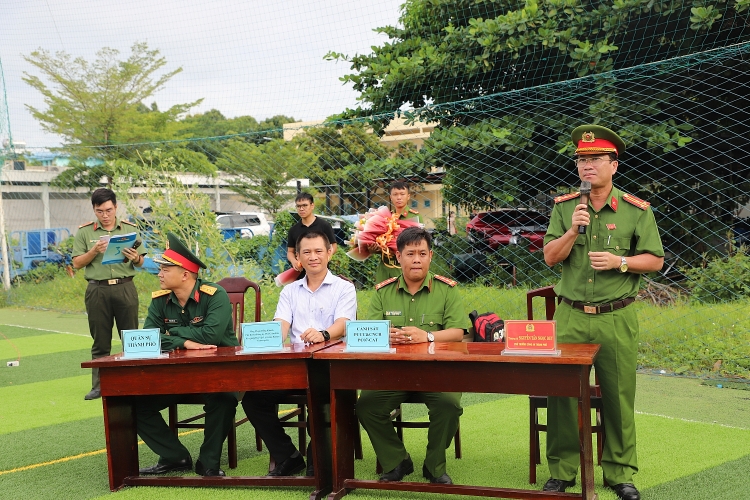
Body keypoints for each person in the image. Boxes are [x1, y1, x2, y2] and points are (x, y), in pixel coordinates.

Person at [541, 125, 664, 500]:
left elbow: (655, 260)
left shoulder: (635, 210)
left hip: (616, 315)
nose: (586, 166)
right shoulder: (565, 208)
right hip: (571, 315)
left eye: (595, 159)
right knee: (560, 395)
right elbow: (550, 257)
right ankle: (562, 471)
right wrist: (572, 233)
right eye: (581, 160)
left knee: (617, 395)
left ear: (614, 164)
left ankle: (620, 474)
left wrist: (620, 262)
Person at [357, 227, 467, 485]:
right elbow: (370, 331)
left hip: (436, 372)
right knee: (367, 406)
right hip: (392, 374)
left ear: (430, 256)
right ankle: (397, 460)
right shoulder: (383, 292)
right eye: (410, 254)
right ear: (398, 257)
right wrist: (385, 336)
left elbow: (458, 332)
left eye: (422, 253)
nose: (416, 259)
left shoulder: (447, 290)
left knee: (448, 404)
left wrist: (427, 336)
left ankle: (434, 465)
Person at [243, 231, 356, 477]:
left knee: (322, 395)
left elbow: (344, 323)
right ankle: (288, 456)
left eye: (318, 251)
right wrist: (263, 337)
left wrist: (324, 334)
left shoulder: (344, 288)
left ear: (329, 252)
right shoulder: (290, 291)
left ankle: (318, 454)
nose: (313, 257)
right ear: (298, 258)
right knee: (253, 399)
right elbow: (281, 325)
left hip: (330, 365)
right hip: (293, 367)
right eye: (306, 252)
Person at [136, 233, 239, 477]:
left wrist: (170, 332)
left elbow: (210, 337)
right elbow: (148, 338)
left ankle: (208, 462)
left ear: (185, 274)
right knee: (134, 405)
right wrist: (185, 340)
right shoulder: (160, 301)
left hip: (219, 374)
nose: (159, 273)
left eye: (165, 268)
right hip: (175, 376)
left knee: (224, 399)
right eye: (160, 268)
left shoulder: (215, 295)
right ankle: (175, 456)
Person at [72, 188, 146, 400]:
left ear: (116, 207)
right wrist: (94, 251)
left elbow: (141, 261)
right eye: (100, 211)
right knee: (100, 339)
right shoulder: (85, 232)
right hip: (97, 289)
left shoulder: (129, 229)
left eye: (108, 210)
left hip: (125, 287)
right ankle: (99, 386)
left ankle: (134, 383)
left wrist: (135, 258)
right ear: (94, 210)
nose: (105, 215)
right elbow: (77, 263)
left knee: (131, 338)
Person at [373, 181, 421, 284]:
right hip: (385, 267)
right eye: (395, 194)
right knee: (383, 297)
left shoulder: (415, 218)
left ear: (408, 196)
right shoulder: (384, 217)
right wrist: (374, 248)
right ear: (390, 197)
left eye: (402, 194)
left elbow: (419, 244)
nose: (399, 197)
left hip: (404, 267)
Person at [286, 192, 337, 272]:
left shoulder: (324, 225)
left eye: (305, 205)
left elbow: (333, 245)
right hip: (301, 272)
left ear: (312, 206)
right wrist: (294, 261)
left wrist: (327, 257)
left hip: (322, 271)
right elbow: (290, 252)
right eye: (298, 206)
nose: (301, 209)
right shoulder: (293, 230)